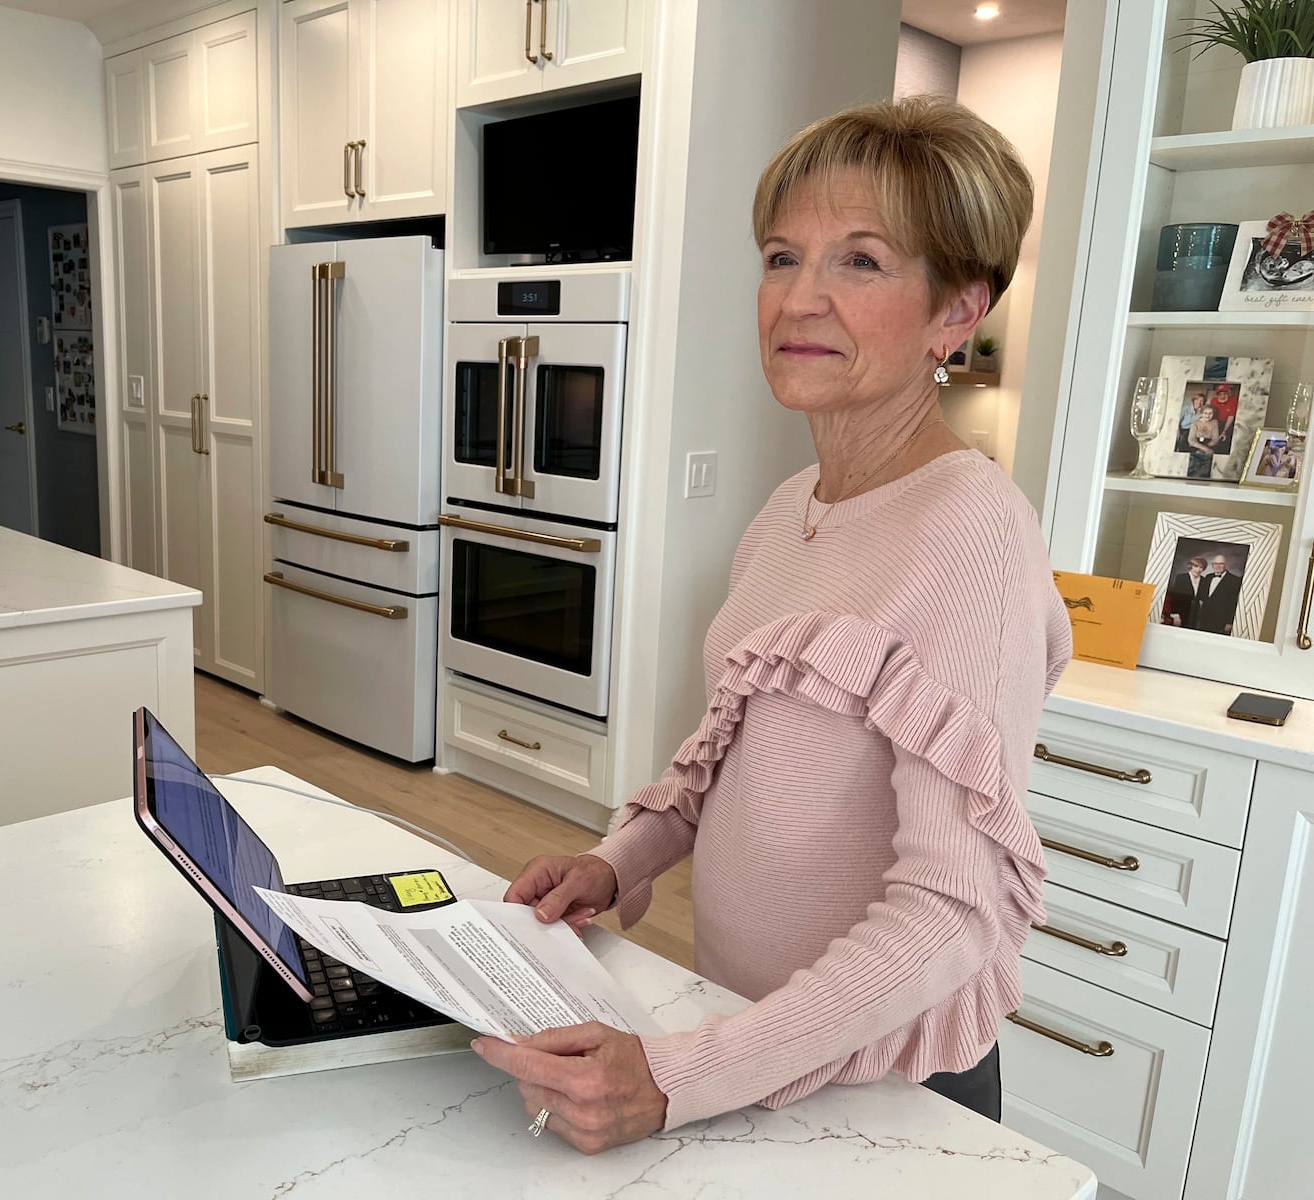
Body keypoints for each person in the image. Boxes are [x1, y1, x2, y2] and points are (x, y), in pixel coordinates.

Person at [472, 97, 1072, 1154]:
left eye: (860, 262)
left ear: (956, 310)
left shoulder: (971, 534)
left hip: (880, 1084)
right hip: (749, 1038)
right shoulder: (788, 510)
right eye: (781, 255)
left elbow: (950, 915)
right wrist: (619, 860)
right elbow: (733, 762)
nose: (799, 298)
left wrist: (675, 1077)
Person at [1195, 554, 1242, 636]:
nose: (1218, 566)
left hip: (1221, 622)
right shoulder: (1208, 577)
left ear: (1225, 565)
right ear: (1212, 565)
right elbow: (1203, 597)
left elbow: (1233, 603)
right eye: (1215, 564)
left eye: (1221, 564)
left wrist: (1229, 622)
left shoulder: (1235, 580)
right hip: (1204, 619)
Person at [1164, 555, 1208, 628]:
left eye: (1201, 567)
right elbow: (1175, 597)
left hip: (1196, 616)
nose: (1198, 570)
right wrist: (1175, 614)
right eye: (1196, 566)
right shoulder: (1181, 577)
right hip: (1182, 613)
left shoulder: (1204, 580)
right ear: (1191, 566)